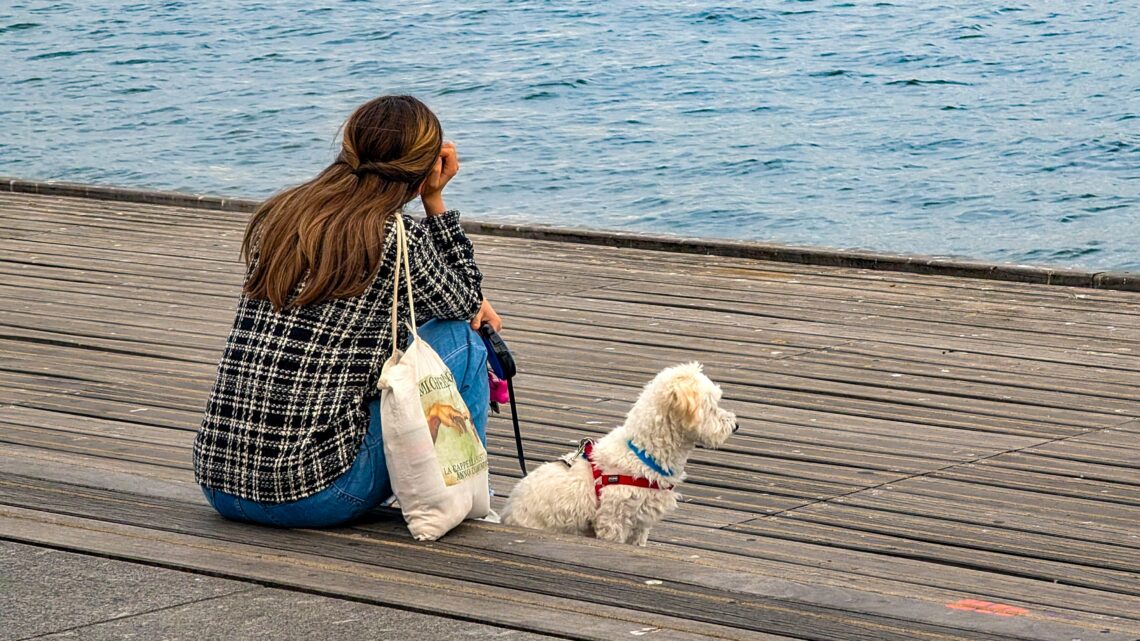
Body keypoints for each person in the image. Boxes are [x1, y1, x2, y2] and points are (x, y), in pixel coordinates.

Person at [193, 95, 501, 528]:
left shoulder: (281, 214)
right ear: (423, 167)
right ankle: (465, 495)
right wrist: (435, 201)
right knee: (464, 341)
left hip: (221, 482)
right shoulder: (397, 239)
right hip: (313, 493)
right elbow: (467, 299)